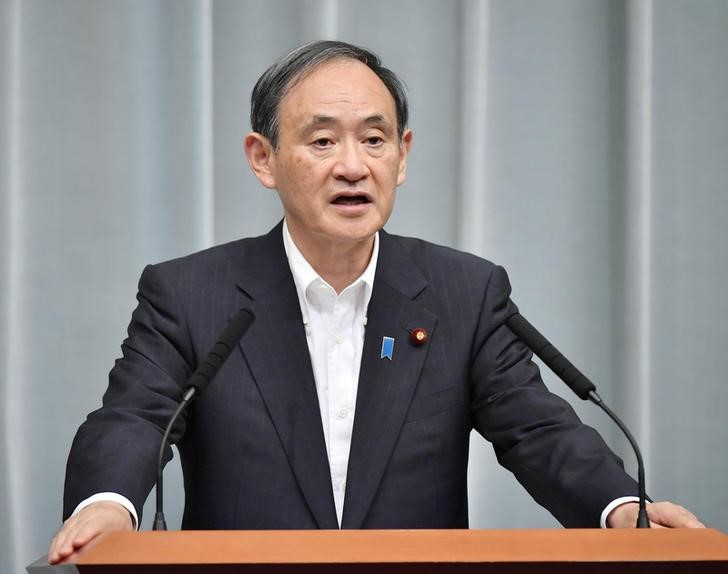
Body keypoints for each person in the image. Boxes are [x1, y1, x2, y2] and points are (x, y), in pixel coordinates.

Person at [49, 40, 702, 564]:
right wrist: (106, 505)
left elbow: (539, 430)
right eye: (323, 140)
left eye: (374, 138)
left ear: (402, 154)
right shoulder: (192, 295)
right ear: (263, 159)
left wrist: (622, 507)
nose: (354, 166)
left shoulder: (462, 294)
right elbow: (133, 419)